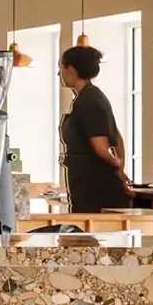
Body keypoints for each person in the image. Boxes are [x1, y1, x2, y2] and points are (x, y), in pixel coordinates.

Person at [59, 43, 132, 212]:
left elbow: (100, 147)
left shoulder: (88, 101)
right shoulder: (94, 96)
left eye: (62, 66)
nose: (60, 72)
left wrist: (117, 165)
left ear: (72, 69)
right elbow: (117, 138)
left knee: (88, 235)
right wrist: (120, 170)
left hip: (94, 187)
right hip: (93, 183)